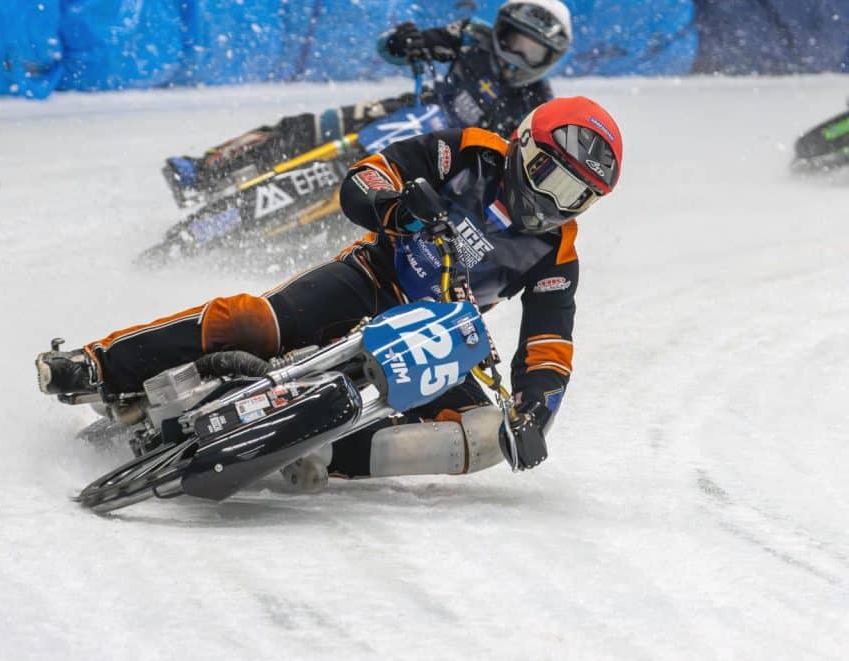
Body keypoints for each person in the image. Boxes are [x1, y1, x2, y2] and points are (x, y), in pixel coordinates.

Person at [38, 95, 622, 492]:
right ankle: (97, 365)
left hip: (436, 337)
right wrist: (397, 207)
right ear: (524, 146)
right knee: (255, 321)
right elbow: (367, 177)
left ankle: (321, 455)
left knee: (486, 435)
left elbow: (549, 345)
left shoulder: (558, 252)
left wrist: (535, 412)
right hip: (371, 278)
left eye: (577, 196)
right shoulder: (468, 149)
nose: (554, 203)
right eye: (552, 178)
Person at [165, 0, 573, 204]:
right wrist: (404, 41)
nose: (517, 56)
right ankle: (204, 171)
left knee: (406, 212)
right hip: (409, 110)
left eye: (532, 52)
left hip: (450, 158)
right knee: (306, 127)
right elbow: (391, 49)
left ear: (549, 59)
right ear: (499, 30)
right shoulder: (471, 35)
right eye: (513, 41)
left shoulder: (538, 104)